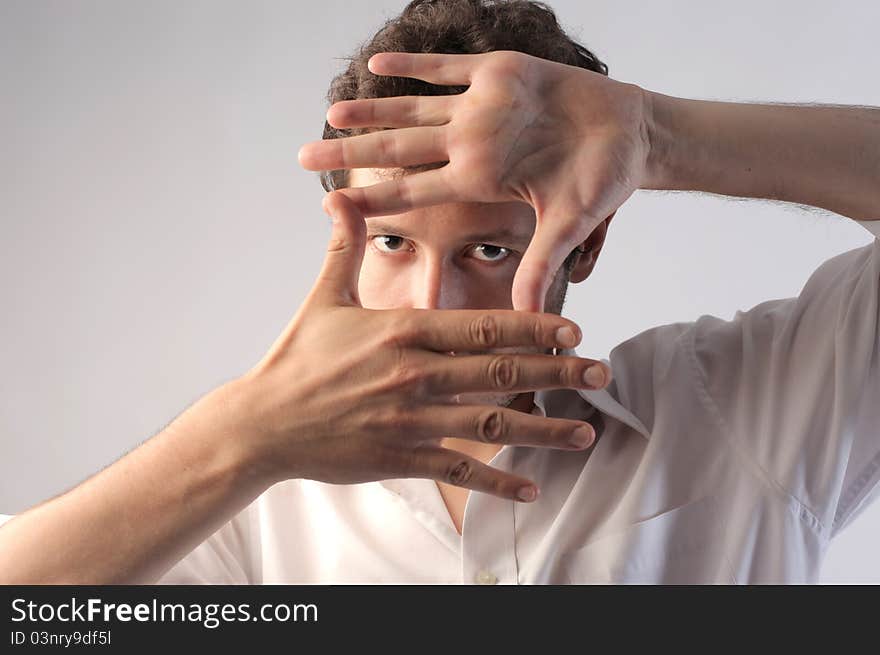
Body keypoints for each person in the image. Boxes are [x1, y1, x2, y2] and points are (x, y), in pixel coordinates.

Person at [1, 0, 879, 584]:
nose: (434, 303)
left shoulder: (751, 405)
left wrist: (657, 133)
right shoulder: (258, 497)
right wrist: (242, 435)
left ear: (587, 240)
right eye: (391, 241)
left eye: (490, 248)